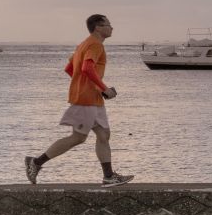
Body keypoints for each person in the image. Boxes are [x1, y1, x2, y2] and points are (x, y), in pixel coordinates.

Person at [24, 14, 133, 186]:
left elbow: (70, 69)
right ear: (98, 27)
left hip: (93, 99)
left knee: (104, 135)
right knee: (77, 137)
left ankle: (108, 176)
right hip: (86, 100)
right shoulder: (95, 45)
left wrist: (89, 86)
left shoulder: (84, 44)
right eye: (109, 24)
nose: (112, 28)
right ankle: (36, 163)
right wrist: (103, 88)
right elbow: (86, 68)